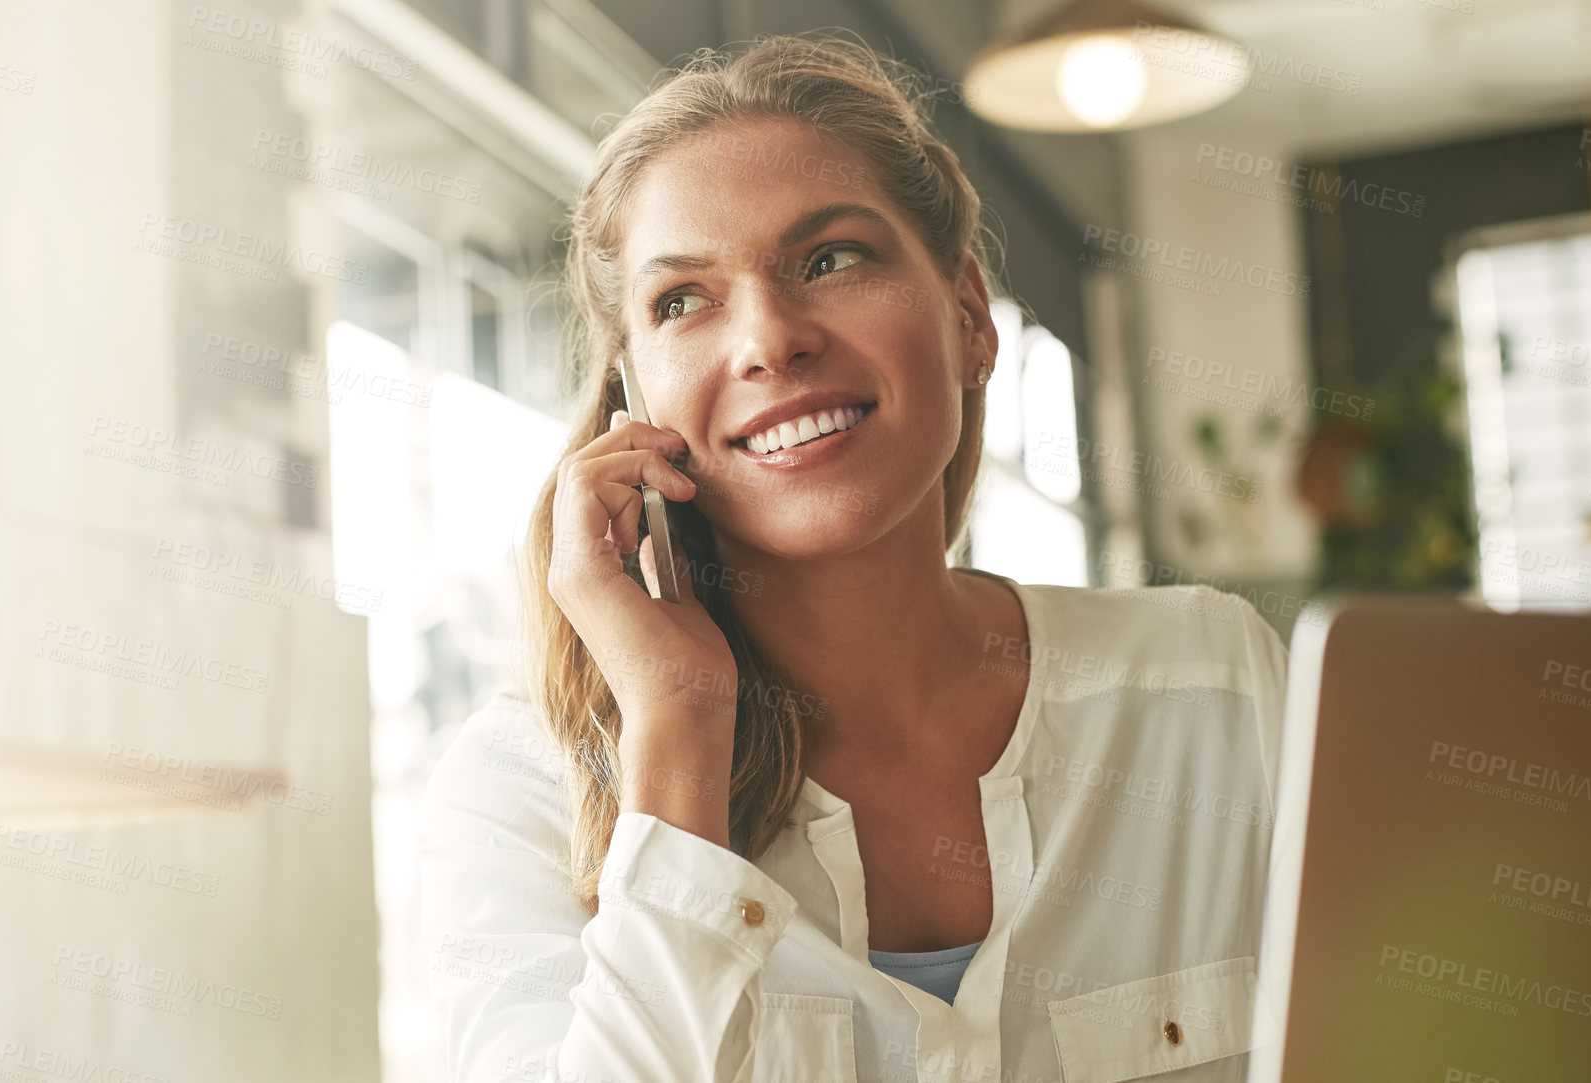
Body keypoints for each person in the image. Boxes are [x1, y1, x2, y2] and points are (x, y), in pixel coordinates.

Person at [419, 32, 1289, 1083]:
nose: (769, 340)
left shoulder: (1216, 683)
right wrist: (678, 727)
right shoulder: (521, 792)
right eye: (683, 300)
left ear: (969, 316)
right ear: (633, 405)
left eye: (831, 259)